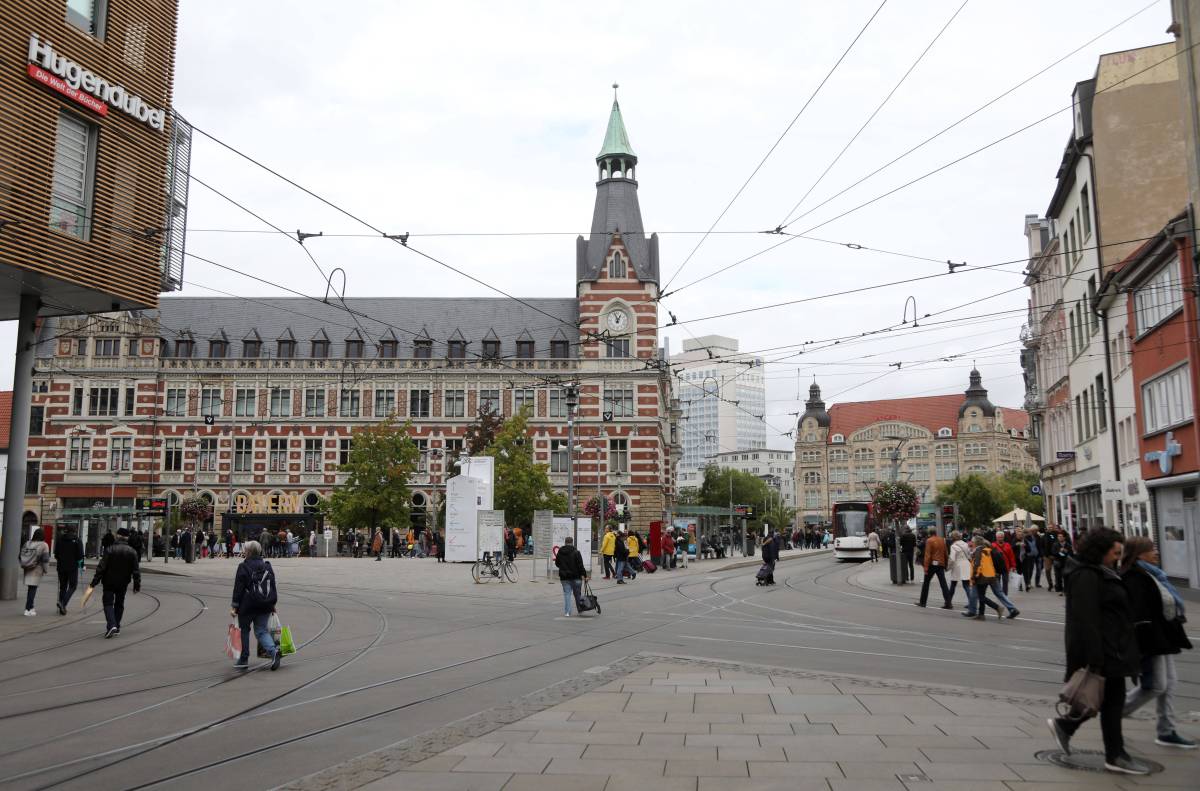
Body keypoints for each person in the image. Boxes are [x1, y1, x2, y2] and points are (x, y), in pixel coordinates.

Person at [1047, 527, 1145, 775]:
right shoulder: (1086, 575)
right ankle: (1115, 755)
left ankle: (1067, 727)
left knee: (1108, 701)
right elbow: (1085, 620)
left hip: (1112, 647)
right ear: (1100, 550)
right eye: (1115, 552)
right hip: (1105, 651)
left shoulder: (1099, 570)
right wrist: (1094, 659)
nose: (1117, 557)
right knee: (1111, 702)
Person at [1120, 536, 1195, 749]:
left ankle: (1166, 730)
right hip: (1152, 639)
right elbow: (1140, 614)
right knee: (1156, 685)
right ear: (1139, 554)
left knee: (1169, 683)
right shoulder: (1135, 577)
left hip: (1164, 635)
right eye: (1151, 549)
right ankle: (1113, 713)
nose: (1156, 553)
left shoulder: (1153, 574)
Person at [230, 540, 281, 670]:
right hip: (265, 604)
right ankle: (274, 652)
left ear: (248, 552)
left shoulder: (243, 566)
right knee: (261, 631)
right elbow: (272, 587)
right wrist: (272, 604)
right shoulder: (267, 566)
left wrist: (234, 605)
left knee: (245, 631)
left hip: (247, 606)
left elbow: (238, 588)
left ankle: (244, 659)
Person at [90, 527, 141, 638]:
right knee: (119, 603)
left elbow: (101, 567)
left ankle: (111, 624)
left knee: (108, 603)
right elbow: (136, 571)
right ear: (127, 537)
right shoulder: (132, 552)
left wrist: (94, 581)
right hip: (123, 582)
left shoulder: (110, 549)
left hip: (108, 581)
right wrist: (137, 585)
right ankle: (116, 625)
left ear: (117, 536)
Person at [971, 532, 1019, 620]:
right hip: (994, 575)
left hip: (987, 575)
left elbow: (978, 564)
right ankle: (1012, 609)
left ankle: (988, 611)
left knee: (981, 594)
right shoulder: (992, 548)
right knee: (998, 593)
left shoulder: (983, 550)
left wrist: (974, 576)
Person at [553, 535, 588, 616]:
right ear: (572, 543)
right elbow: (580, 565)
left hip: (564, 577)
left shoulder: (560, 552)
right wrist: (585, 575)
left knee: (567, 594)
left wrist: (563, 567)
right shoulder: (576, 552)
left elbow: (557, 563)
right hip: (576, 577)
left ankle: (567, 612)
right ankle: (580, 609)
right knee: (577, 594)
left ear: (565, 542)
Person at [54, 525, 85, 615]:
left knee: (63, 587)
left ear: (66, 530)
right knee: (73, 586)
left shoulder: (60, 539)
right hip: (72, 567)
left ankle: (62, 607)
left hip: (61, 567)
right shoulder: (77, 540)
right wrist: (81, 565)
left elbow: (56, 554)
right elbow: (80, 556)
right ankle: (63, 603)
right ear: (75, 530)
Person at [19, 528, 51, 616]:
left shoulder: (27, 543)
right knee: (32, 589)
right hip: (36, 569)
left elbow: (20, 555)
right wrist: (46, 569)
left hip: (27, 568)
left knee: (30, 588)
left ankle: (31, 607)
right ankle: (28, 608)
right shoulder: (44, 545)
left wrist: (25, 563)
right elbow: (45, 560)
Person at [916, 530, 951, 609]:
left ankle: (923, 602)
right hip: (941, 564)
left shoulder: (929, 541)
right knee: (943, 584)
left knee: (926, 583)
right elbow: (946, 552)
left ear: (929, 534)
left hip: (932, 564)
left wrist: (926, 567)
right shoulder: (942, 540)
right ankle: (948, 602)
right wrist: (945, 564)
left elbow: (928, 555)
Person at [947, 531, 972, 612]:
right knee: (966, 585)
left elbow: (952, 559)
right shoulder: (965, 544)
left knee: (953, 584)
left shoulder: (953, 546)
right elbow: (969, 554)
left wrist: (948, 567)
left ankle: (948, 601)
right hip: (966, 564)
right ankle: (971, 602)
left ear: (953, 538)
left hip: (957, 566)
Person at [992, 531, 1017, 597]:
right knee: (997, 582)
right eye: (999, 537)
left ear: (1004, 537)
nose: (1000, 538)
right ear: (996, 537)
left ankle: (1005, 595)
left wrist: (1013, 566)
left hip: (1006, 566)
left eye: (1002, 537)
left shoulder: (1007, 545)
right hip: (996, 567)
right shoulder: (993, 545)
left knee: (1005, 582)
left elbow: (1011, 556)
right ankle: (999, 594)